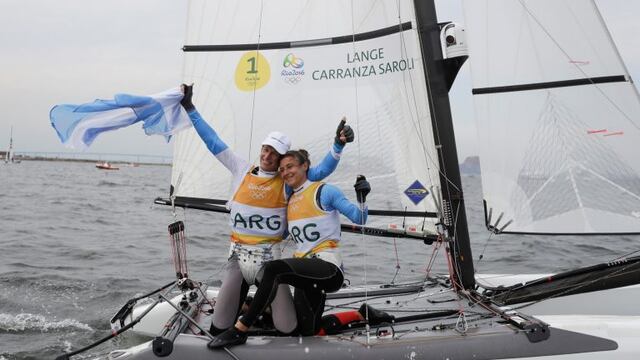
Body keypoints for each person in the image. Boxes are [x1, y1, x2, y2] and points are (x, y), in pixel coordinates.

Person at [179, 84, 355, 336]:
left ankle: (264, 313)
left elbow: (321, 171)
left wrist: (338, 146)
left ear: (282, 158)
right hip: (237, 259)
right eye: (265, 148)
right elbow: (212, 141)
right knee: (218, 328)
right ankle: (249, 312)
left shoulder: (287, 182)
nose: (267, 155)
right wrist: (190, 108)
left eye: (274, 153)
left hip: (269, 263)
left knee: (289, 329)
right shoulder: (241, 169)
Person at [208, 149, 371, 349]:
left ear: (305, 166)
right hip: (305, 276)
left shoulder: (325, 191)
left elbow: (359, 218)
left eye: (290, 166)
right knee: (307, 330)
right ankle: (362, 314)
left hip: (328, 268)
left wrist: (362, 197)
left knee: (274, 269)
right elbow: (279, 234)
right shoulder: (290, 201)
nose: (285, 172)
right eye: (282, 169)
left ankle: (240, 329)